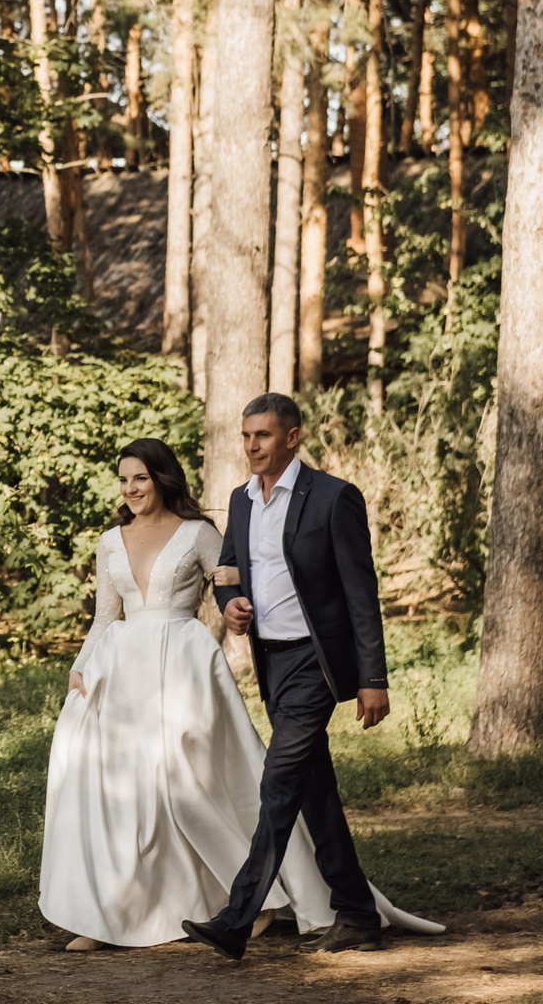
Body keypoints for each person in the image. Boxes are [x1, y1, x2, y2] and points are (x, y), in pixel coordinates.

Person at [39, 437, 439, 950]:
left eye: (140, 478)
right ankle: (110, 915)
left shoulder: (199, 533)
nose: (131, 488)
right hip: (122, 672)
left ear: (161, 479)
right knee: (125, 793)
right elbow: (103, 617)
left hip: (183, 667)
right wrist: (79, 668)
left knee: (189, 787)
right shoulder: (110, 541)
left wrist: (234, 601)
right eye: (123, 480)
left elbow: (233, 579)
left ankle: (261, 902)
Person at [181, 393, 441, 960]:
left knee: (277, 784)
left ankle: (236, 916)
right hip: (272, 662)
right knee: (313, 790)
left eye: (264, 436)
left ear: (292, 438)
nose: (251, 446)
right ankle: (356, 913)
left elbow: (360, 591)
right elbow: (227, 569)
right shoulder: (241, 500)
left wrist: (374, 677)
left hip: (315, 663)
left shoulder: (332, 498)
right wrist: (230, 603)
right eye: (246, 436)